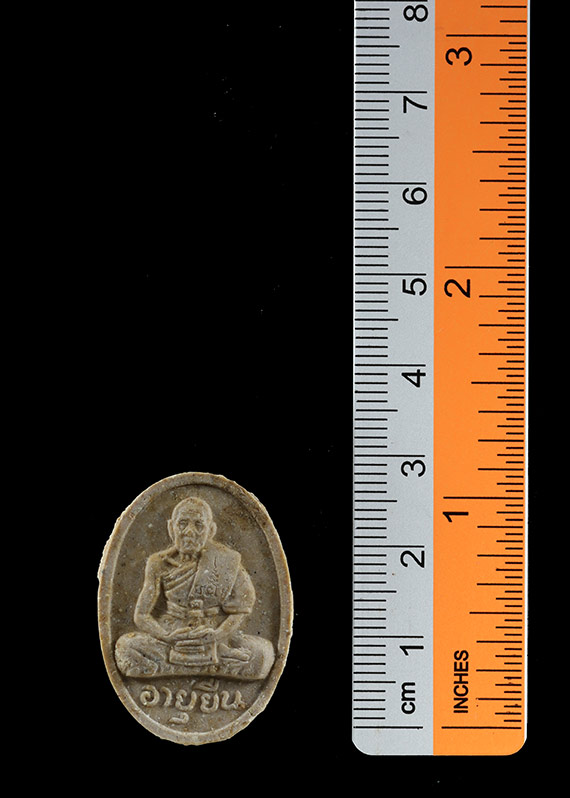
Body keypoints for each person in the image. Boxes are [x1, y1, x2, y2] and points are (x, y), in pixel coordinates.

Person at [115, 496, 275, 680]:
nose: (189, 532)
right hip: (172, 636)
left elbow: (240, 610)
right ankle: (213, 669)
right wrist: (167, 636)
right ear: (171, 528)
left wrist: (218, 634)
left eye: (198, 525)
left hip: (215, 637)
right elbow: (141, 615)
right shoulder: (158, 563)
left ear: (211, 530)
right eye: (182, 524)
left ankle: (169, 669)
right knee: (126, 647)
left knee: (263, 654)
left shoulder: (227, 560)